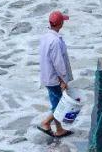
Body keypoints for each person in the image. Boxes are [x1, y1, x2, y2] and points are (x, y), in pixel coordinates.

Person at [38, 10, 73, 138]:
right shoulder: (56, 41)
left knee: (57, 102)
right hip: (54, 79)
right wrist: (63, 80)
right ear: (61, 24)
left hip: (46, 76)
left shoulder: (46, 37)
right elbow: (58, 63)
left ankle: (59, 129)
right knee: (59, 104)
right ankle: (46, 123)